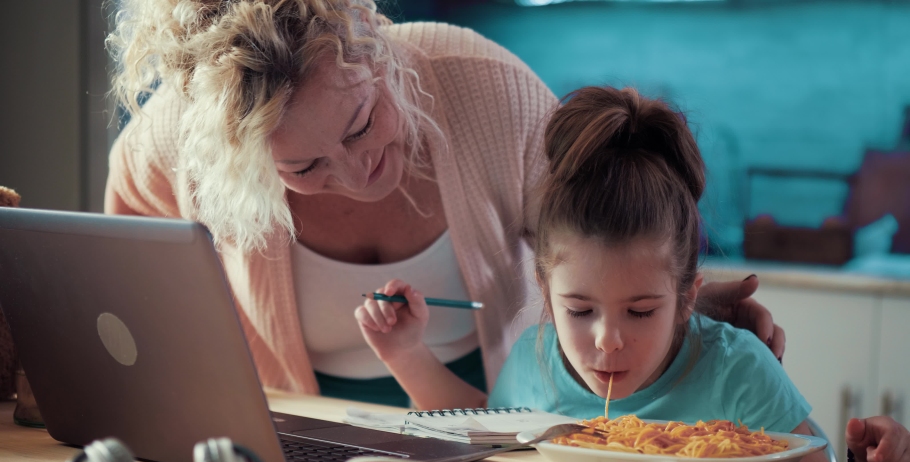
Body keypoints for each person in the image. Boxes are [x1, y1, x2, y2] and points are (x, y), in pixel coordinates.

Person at [105, 0, 783, 406]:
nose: (357, 171)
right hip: (295, 425)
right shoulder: (181, 140)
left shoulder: (485, 90)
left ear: (373, 48)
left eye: (362, 123)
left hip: (490, 413)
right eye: (303, 166)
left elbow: (600, 245)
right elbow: (125, 272)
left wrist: (673, 305)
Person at [356, 86, 828, 462]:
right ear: (544, 288)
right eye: (579, 310)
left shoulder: (737, 369)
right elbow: (480, 433)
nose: (607, 340)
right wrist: (406, 354)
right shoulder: (532, 362)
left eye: (641, 311)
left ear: (688, 297)